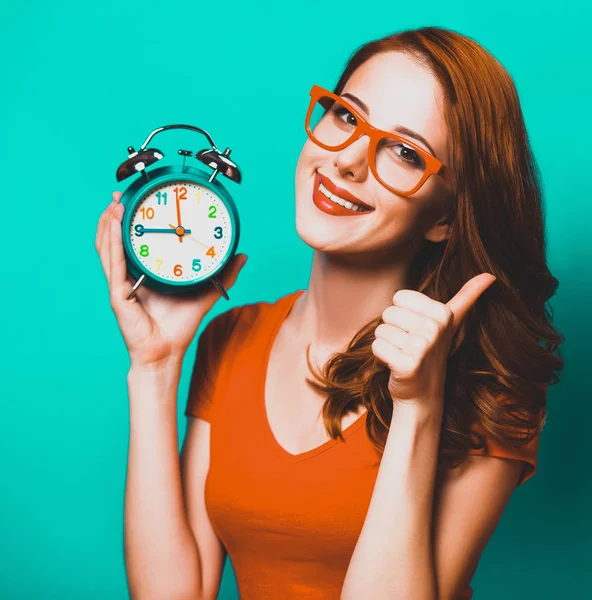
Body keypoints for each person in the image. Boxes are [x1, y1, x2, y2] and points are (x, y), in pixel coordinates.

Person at [95, 26, 564, 600]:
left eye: (403, 151)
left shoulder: (489, 385)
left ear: (445, 218)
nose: (347, 162)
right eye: (346, 117)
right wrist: (155, 368)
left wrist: (418, 406)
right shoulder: (233, 337)